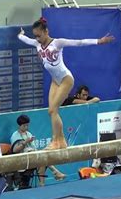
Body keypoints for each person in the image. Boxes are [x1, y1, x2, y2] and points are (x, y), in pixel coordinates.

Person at [18, 17, 114, 149]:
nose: (37, 39)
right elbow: (25, 40)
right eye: (35, 36)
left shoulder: (57, 43)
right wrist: (21, 34)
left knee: (53, 109)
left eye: (39, 36)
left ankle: (57, 140)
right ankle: (60, 141)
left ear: (46, 31)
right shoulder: (37, 44)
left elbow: (79, 42)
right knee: (51, 112)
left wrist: (98, 41)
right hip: (55, 81)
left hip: (66, 80)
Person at [10, 115, 65, 188]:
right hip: (23, 159)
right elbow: (15, 150)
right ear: (19, 125)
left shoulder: (28, 134)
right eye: (24, 126)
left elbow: (34, 148)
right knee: (41, 158)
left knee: (42, 157)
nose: (26, 127)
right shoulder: (15, 135)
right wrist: (25, 142)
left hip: (33, 157)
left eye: (27, 125)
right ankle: (55, 172)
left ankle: (42, 185)